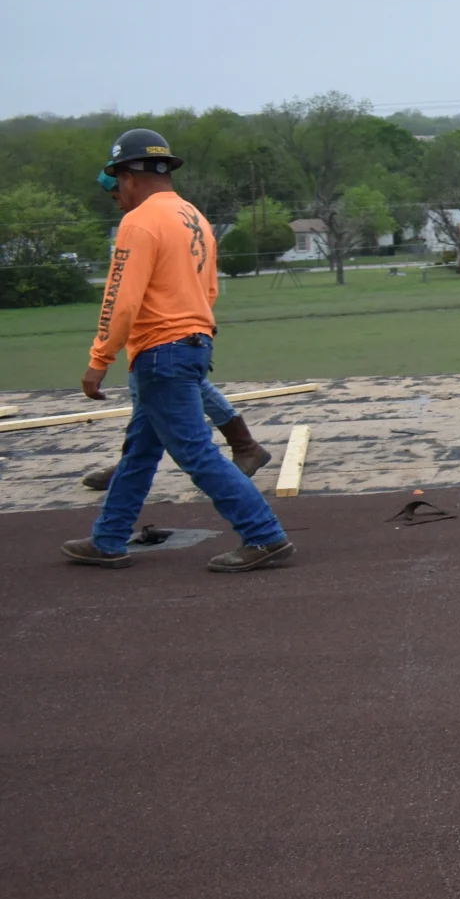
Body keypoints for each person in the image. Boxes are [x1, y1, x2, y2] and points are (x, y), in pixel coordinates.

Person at [61, 130, 296, 573]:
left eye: (118, 183)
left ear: (128, 176)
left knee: (197, 455)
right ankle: (108, 539)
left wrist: (99, 359)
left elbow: (121, 300)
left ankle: (265, 536)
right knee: (140, 453)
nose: (119, 195)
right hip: (192, 343)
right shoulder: (194, 217)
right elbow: (209, 290)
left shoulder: (139, 222)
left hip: (159, 352)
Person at [80, 379, 272, 490]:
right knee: (144, 387)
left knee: (183, 382)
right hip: (150, 339)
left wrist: (100, 360)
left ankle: (245, 446)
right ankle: (130, 467)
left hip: (169, 338)